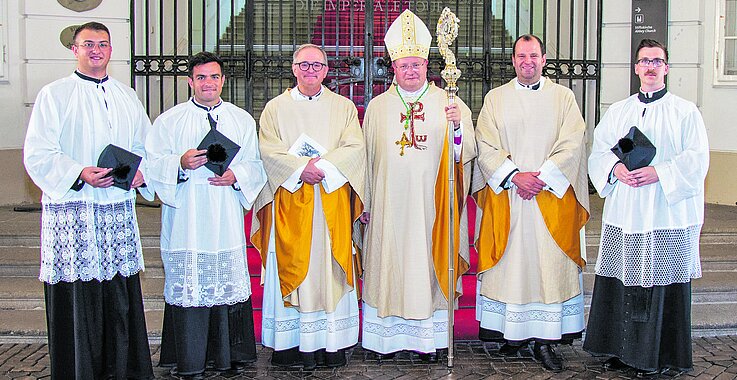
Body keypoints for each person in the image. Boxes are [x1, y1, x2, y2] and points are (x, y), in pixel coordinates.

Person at [23, 21, 154, 379]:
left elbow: (145, 146)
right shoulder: (55, 94)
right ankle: (80, 370)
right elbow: (37, 153)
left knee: (118, 293)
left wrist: (141, 173)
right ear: (74, 49)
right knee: (80, 296)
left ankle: (123, 369)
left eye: (103, 44)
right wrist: (79, 172)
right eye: (88, 44)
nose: (96, 50)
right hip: (74, 214)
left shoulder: (127, 95)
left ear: (111, 50)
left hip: (115, 208)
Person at [583, 39, 709, 377]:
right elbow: (600, 152)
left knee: (660, 285)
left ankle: (658, 355)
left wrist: (659, 173)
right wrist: (615, 169)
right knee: (623, 282)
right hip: (627, 211)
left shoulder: (685, 111)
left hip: (664, 213)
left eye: (657, 61)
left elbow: (697, 160)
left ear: (666, 68)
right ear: (636, 68)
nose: (650, 67)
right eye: (644, 61)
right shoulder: (619, 111)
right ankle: (619, 350)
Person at [360, 9, 477, 362]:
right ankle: (387, 342)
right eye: (404, 66)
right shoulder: (377, 108)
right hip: (387, 205)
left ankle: (429, 341)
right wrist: (365, 203)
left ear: (427, 66)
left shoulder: (450, 103)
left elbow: (466, 153)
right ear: (393, 68)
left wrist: (457, 128)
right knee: (390, 264)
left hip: (433, 204)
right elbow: (365, 159)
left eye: (417, 65)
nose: (411, 71)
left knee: (427, 264)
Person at [145, 51, 267, 379]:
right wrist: (180, 164)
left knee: (224, 284)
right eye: (201, 78)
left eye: (214, 77)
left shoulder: (241, 120)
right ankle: (189, 360)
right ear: (190, 82)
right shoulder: (169, 121)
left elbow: (255, 164)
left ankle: (226, 359)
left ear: (223, 80)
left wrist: (237, 175)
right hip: (187, 215)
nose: (208, 83)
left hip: (224, 214)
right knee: (191, 283)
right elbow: (153, 164)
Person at [472, 34, 589, 371]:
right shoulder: (495, 99)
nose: (528, 61)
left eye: (533, 55)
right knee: (514, 267)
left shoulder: (563, 98)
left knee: (546, 268)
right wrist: (514, 176)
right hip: (509, 195)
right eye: (521, 56)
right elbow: (486, 144)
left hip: (550, 198)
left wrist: (543, 177)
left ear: (544, 58)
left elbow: (573, 142)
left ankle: (545, 340)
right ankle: (514, 335)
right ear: (512, 61)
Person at [251, 43, 366, 370]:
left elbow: (355, 147)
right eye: (304, 65)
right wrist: (300, 170)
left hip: (330, 202)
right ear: (293, 68)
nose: (310, 71)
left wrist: (323, 169)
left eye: (317, 65)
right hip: (290, 203)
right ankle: (289, 347)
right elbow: (268, 150)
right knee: (292, 265)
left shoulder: (342, 107)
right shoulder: (275, 108)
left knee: (329, 270)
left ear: (327, 70)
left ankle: (331, 345)